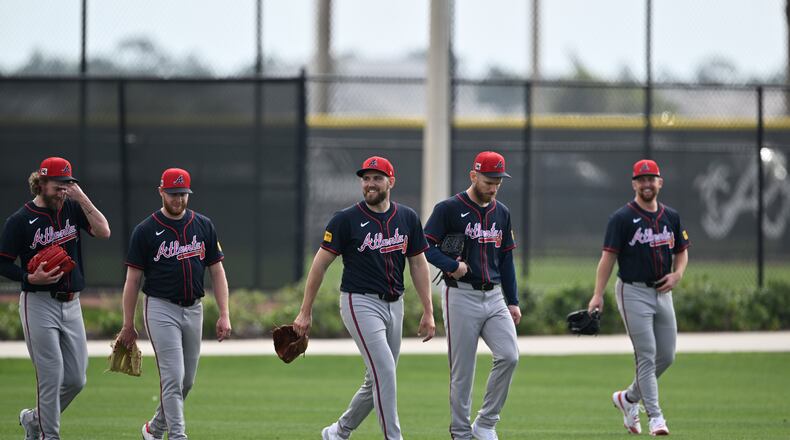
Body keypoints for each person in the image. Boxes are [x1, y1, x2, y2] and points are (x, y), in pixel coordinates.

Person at [293, 156, 436, 440]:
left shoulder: (407, 217)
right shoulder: (346, 220)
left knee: (377, 379)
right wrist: (304, 312)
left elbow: (418, 264)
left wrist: (429, 311)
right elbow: (320, 265)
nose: (370, 183)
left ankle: (338, 432)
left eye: (377, 178)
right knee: (385, 372)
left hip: (396, 303)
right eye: (366, 178)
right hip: (359, 302)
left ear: (390, 182)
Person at [116, 167, 232, 440]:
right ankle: (178, 436)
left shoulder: (203, 225)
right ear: (161, 192)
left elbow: (217, 271)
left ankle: (155, 428)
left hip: (194, 308)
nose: (178, 199)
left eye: (182, 194)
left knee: (186, 381)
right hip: (160, 307)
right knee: (172, 378)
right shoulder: (145, 230)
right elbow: (132, 280)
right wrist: (127, 324)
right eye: (173, 193)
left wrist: (225, 313)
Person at [0, 157, 111, 440]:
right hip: (38, 303)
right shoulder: (20, 220)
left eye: (66, 185)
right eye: (57, 185)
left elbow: (103, 230)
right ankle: (50, 436)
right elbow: (2, 263)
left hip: (72, 303)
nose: (62, 191)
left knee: (76, 379)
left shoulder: (73, 209)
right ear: (41, 183)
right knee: (50, 377)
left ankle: (34, 419)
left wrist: (81, 196)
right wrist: (28, 278)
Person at [586, 159, 689, 436]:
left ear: (659, 182)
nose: (646, 184)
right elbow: (608, 259)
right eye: (641, 179)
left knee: (666, 356)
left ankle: (628, 398)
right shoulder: (621, 218)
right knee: (646, 355)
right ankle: (656, 416)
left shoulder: (671, 216)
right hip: (632, 291)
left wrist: (677, 275)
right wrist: (598, 295)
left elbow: (681, 250)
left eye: (651, 179)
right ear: (634, 184)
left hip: (662, 292)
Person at [424, 150, 521, 440]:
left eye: (498, 182)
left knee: (509, 356)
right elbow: (425, 245)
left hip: (493, 296)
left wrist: (513, 300)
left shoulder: (501, 212)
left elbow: (506, 259)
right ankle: (461, 433)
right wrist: (451, 265)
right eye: (489, 180)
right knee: (463, 372)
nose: (493, 187)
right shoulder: (449, 209)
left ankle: (486, 423)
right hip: (460, 296)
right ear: (473, 175)